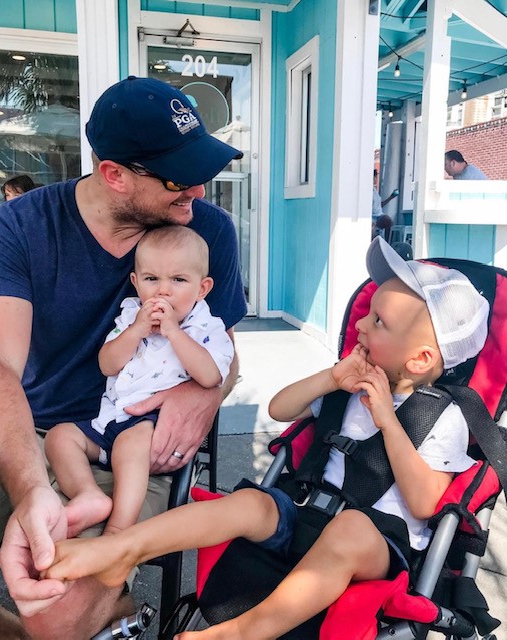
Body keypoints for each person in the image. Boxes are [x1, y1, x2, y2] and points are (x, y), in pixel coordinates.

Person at [43, 236, 488, 640]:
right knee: (253, 501)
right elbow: (280, 410)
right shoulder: (350, 383)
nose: (361, 326)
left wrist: (389, 421)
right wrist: (331, 378)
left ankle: (241, 633)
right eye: (368, 313)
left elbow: (426, 503)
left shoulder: (441, 416)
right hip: (308, 511)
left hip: (377, 542)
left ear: (420, 359)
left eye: (378, 323)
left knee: (352, 527)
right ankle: (123, 548)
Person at [0, 75, 246, 639]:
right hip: (20, 427)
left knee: (53, 611)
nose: (198, 193)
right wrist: (32, 485)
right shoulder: (17, 228)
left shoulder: (207, 232)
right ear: (115, 176)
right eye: (180, 178)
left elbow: (226, 353)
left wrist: (202, 391)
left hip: (130, 435)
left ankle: (101, 604)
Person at [45, 225, 234, 537]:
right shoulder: (130, 315)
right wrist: (135, 331)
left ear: (202, 288)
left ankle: (118, 528)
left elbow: (210, 375)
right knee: (60, 437)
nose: (163, 291)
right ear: (135, 282)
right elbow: (107, 364)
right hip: (111, 418)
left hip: (154, 426)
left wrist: (174, 331)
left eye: (178, 280)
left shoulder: (206, 327)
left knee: (130, 447)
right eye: (151, 279)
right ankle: (87, 494)